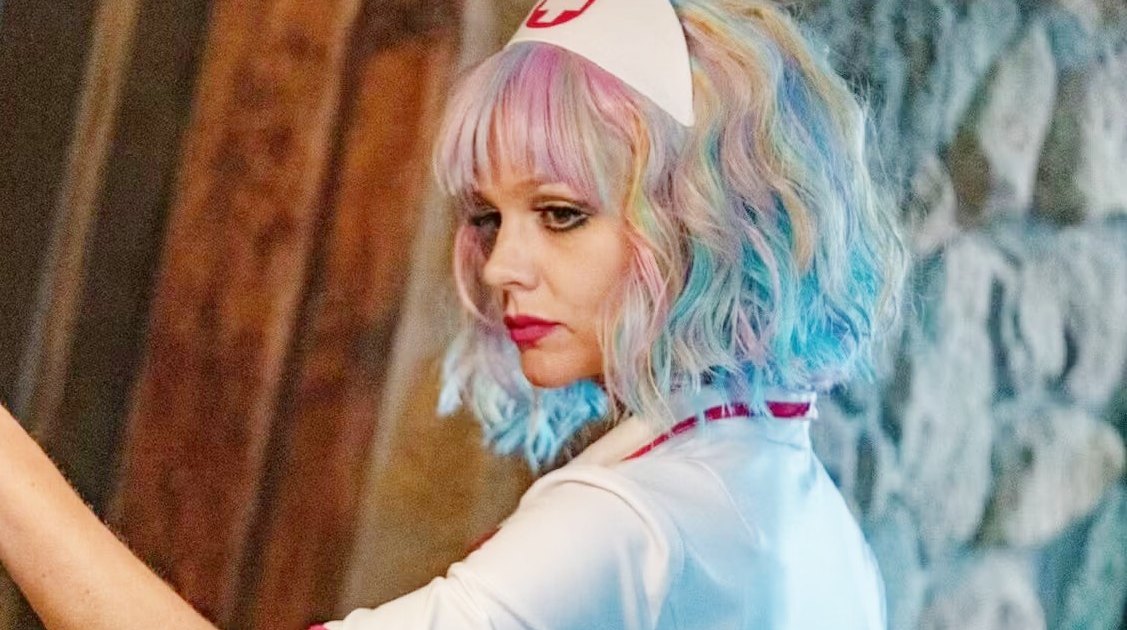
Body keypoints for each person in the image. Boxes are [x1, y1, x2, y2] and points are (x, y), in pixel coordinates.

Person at [0, 0, 905, 628]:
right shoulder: (814, 522)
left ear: (706, 222)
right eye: (487, 218)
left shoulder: (628, 520)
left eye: (561, 214)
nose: (502, 267)